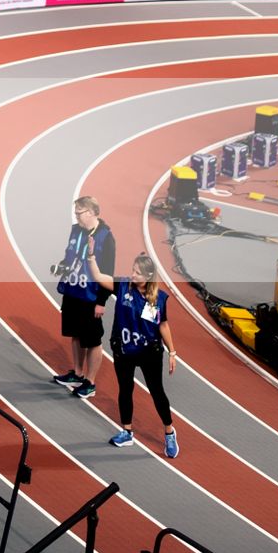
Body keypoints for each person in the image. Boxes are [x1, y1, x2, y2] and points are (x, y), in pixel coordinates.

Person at [87, 243, 179, 458]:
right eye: (132, 270)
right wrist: (91, 255)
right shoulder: (123, 286)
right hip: (124, 349)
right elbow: (100, 277)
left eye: (137, 272)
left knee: (157, 393)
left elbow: (163, 325)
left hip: (149, 352)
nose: (132, 274)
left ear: (148, 276)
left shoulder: (158, 299)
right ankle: (127, 431)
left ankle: (169, 432)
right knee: (125, 390)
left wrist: (172, 352)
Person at [51, 194, 115, 399]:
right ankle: (77, 373)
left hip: (90, 296)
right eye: (76, 212)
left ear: (91, 212)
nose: (76, 217)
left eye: (79, 213)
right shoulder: (76, 230)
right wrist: (61, 265)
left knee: (93, 340)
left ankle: (90, 382)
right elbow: (70, 254)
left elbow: (108, 273)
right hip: (72, 291)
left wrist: (101, 301)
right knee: (75, 334)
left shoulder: (105, 237)